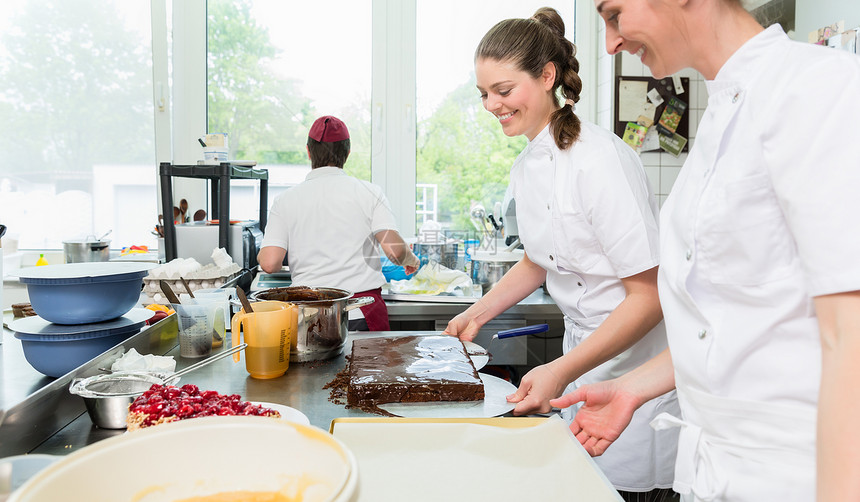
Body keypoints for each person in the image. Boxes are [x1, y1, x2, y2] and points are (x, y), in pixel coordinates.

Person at [550, 1, 860, 501]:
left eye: (614, 15)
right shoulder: (723, 111)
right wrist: (632, 387)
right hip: (715, 470)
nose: (611, 44)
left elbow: (852, 336)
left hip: (798, 475)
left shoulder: (819, 89)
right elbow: (730, 324)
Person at [442, 8, 679, 500]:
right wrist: (477, 312)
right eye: (484, 94)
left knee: (626, 491)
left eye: (503, 91)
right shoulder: (528, 164)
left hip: (634, 370)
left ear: (547, 76)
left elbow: (648, 295)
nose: (491, 105)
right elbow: (539, 258)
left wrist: (560, 370)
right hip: (580, 362)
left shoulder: (600, 160)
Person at [258, 115, 420, 331]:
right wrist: (410, 259)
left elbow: (269, 263)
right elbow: (395, 251)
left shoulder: (286, 199)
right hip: (360, 310)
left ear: (308, 151)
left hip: (308, 317)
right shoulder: (369, 192)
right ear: (348, 153)